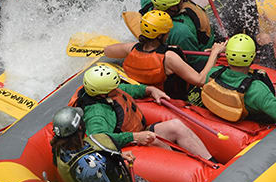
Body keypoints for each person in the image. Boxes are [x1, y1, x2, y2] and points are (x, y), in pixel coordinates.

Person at [69, 64, 216, 162]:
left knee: (176, 125)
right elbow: (98, 138)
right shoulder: (97, 114)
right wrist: (134, 136)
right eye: (114, 88)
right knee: (155, 140)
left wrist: (150, 90)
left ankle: (212, 163)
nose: (117, 89)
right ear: (102, 95)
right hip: (126, 147)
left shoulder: (109, 92)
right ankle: (193, 168)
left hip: (138, 132)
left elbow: (127, 90)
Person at [51, 106, 161, 182]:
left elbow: (90, 150)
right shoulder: (90, 169)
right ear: (79, 127)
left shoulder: (62, 147)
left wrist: (117, 155)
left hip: (107, 171)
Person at [105, 10, 226, 101]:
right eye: (167, 31)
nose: (168, 33)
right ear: (160, 35)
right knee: (212, 65)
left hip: (145, 88)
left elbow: (108, 50)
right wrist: (214, 52)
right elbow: (200, 80)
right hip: (173, 96)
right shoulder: (169, 58)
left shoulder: (131, 48)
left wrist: (134, 45)